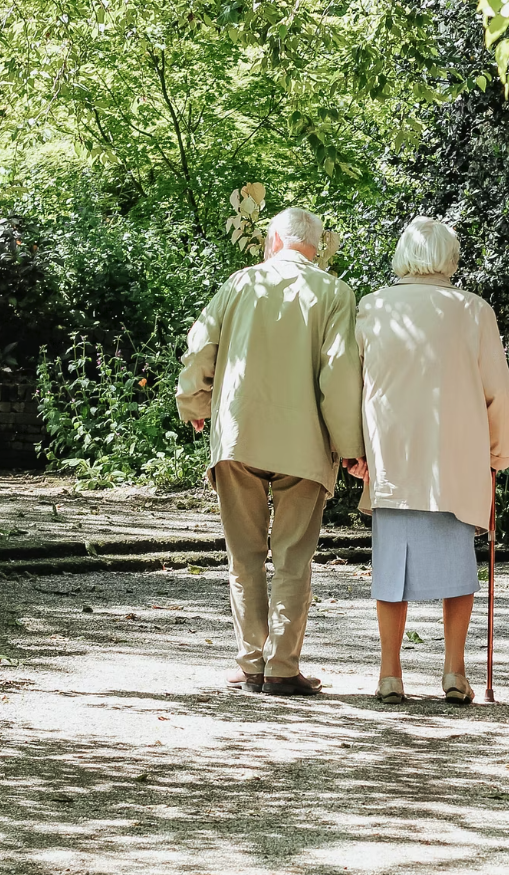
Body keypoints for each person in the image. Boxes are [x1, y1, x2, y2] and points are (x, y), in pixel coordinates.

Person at [176, 207, 365, 696]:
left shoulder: (239, 284)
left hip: (240, 436)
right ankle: (282, 668)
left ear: (274, 240)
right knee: (292, 558)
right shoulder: (335, 293)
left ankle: (251, 663)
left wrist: (194, 401)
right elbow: (339, 374)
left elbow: (201, 348)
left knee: (244, 555)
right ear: (317, 246)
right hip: (304, 444)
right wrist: (350, 447)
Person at [353, 216, 509, 705]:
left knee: (390, 569)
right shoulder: (472, 311)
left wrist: (353, 450)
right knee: (457, 568)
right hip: (455, 459)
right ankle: (454, 670)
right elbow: (500, 394)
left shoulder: (373, 307)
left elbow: (352, 385)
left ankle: (389, 673)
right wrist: (498, 449)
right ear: (450, 257)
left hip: (393, 457)